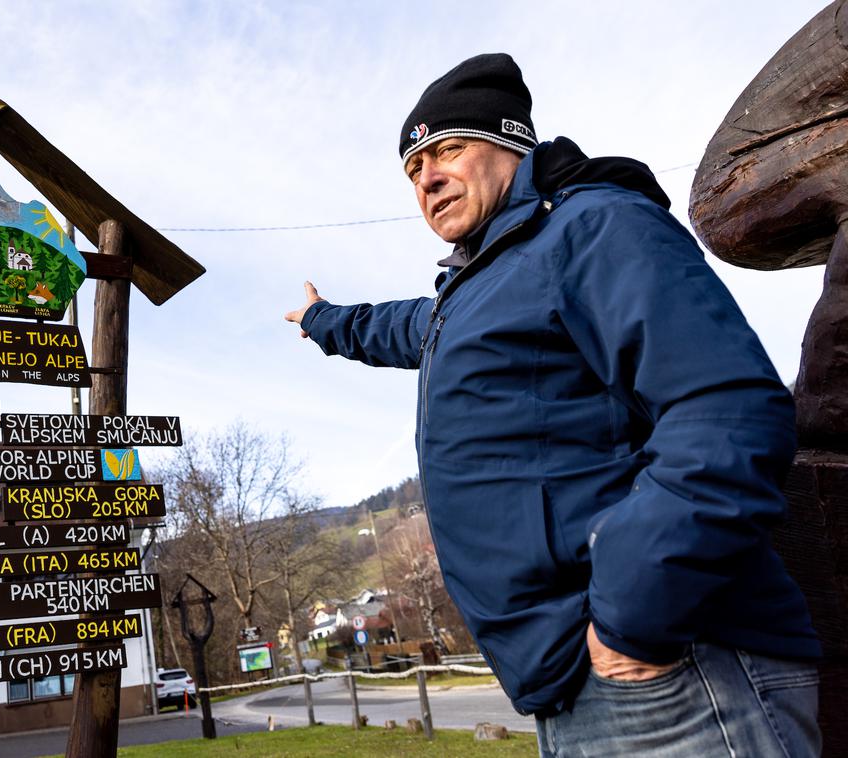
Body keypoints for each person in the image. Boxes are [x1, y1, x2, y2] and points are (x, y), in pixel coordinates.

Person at [284, 53, 822, 756]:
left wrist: (630, 616)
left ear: (511, 143)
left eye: (447, 148)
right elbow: (400, 326)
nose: (427, 178)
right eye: (412, 169)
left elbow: (725, 412)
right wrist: (323, 321)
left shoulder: (592, 227)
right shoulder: (477, 290)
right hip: (579, 680)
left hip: (672, 669)